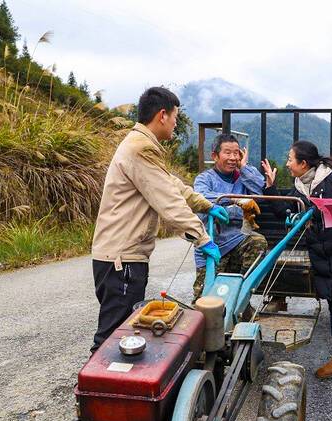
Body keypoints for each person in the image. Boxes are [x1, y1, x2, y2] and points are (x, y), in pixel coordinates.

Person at [89, 87, 228, 353]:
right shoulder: (141, 148)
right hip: (122, 259)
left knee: (121, 332)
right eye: (175, 117)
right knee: (111, 337)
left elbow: (170, 184)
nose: (176, 124)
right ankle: (95, 391)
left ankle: (113, 387)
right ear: (162, 115)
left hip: (120, 257)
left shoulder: (141, 145)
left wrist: (205, 205)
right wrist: (202, 237)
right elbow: (168, 199)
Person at [261, 141, 332, 388]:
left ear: (304, 163)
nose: (288, 163)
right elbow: (285, 213)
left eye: (291, 159)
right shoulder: (300, 187)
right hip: (326, 256)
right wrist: (270, 186)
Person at [192, 133, 268, 300]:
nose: (233, 157)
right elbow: (202, 198)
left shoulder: (244, 176)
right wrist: (236, 201)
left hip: (237, 239)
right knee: (204, 299)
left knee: (258, 242)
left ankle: (240, 293)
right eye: (227, 152)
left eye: (236, 153)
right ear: (214, 155)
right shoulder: (204, 179)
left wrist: (244, 167)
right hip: (212, 244)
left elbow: (259, 191)